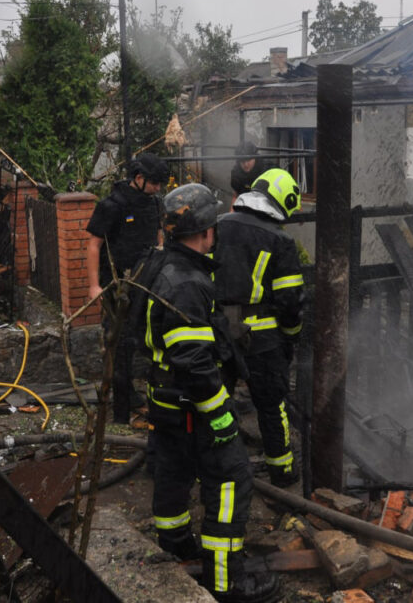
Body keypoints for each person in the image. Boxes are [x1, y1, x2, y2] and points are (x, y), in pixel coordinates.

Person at [144, 183, 278, 602]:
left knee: (172, 473)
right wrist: (220, 414)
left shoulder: (160, 264)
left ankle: (176, 545)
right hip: (192, 407)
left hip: (166, 404)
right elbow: (193, 362)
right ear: (204, 231)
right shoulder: (186, 283)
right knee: (230, 480)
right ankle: (225, 582)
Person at [214, 168, 304, 488]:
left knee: (215, 401)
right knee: (270, 403)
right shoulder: (280, 240)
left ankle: (217, 464)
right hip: (262, 337)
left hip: (218, 329)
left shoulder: (219, 225)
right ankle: (281, 470)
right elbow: (289, 301)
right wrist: (290, 338)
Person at [86, 152, 170, 423]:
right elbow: (93, 245)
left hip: (145, 282)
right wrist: (94, 286)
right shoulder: (112, 205)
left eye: (161, 184)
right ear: (139, 178)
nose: (158, 188)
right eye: (155, 183)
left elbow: (158, 237)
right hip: (116, 284)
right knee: (119, 346)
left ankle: (140, 398)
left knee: (143, 339)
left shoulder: (155, 203)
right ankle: (121, 413)